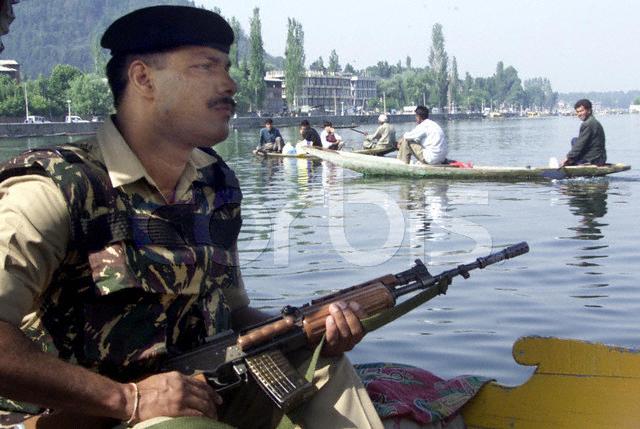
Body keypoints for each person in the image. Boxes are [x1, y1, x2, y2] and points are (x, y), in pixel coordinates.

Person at [0, 6, 383, 429]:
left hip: (197, 392)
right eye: (206, 67)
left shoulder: (217, 185)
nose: (230, 84)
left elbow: (234, 315)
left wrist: (310, 330)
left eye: (227, 67)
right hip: (71, 418)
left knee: (325, 367)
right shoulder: (54, 189)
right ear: (144, 78)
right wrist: (128, 399)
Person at [561, 99, 606, 166]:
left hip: (595, 159)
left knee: (576, 142)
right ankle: (575, 161)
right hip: (600, 157)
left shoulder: (588, 124)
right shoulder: (592, 121)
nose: (579, 114)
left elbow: (580, 144)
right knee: (574, 140)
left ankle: (578, 162)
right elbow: (580, 142)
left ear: (589, 110)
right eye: (577, 112)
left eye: (581, 111)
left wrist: (568, 157)